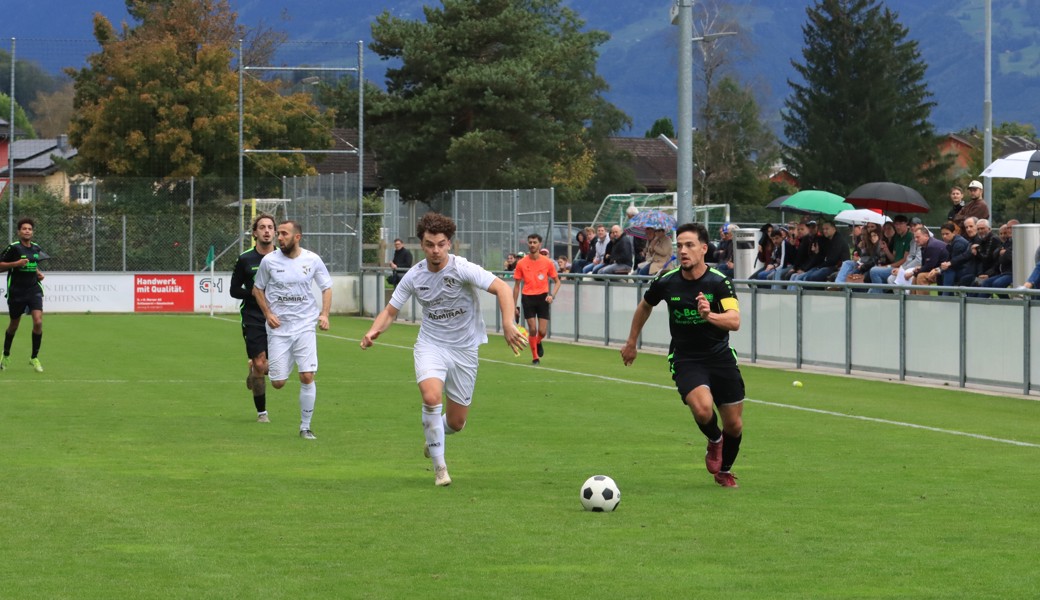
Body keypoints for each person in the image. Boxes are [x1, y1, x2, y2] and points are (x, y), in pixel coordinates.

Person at [361, 213, 527, 486]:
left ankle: (433, 437)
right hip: (431, 345)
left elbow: (502, 289)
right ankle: (440, 468)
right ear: (422, 245)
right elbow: (390, 311)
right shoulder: (414, 276)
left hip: (464, 350)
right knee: (430, 395)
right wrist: (373, 330)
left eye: (440, 244)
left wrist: (508, 324)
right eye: (429, 244)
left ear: (449, 243)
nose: (435, 250)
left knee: (457, 422)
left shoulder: (462, 268)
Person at [620, 222, 745, 488]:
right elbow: (645, 306)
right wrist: (631, 342)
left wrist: (708, 315)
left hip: (720, 356)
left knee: (734, 425)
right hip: (686, 357)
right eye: (680, 245)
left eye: (689, 245)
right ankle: (714, 440)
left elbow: (734, 321)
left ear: (704, 248)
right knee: (702, 409)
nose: (683, 250)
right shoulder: (666, 281)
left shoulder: (719, 281)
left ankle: (724, 470)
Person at [252, 220, 333, 440]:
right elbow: (257, 289)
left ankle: (305, 427)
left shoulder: (312, 259)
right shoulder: (269, 261)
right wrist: (268, 314)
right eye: (279, 233)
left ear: (297, 237)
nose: (279, 237)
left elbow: (326, 287)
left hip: (305, 325)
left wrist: (324, 314)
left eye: (284, 234)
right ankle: (256, 368)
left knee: (307, 375)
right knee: (278, 383)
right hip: (279, 328)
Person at [229, 213, 277, 422]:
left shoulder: (283, 257)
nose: (267, 231)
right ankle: (262, 413)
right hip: (253, 316)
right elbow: (233, 290)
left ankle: (254, 370)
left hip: (279, 317)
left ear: (275, 232)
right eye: (262, 227)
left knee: (272, 369)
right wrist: (255, 294)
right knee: (260, 364)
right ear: (255, 233)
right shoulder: (245, 259)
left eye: (270, 227)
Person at [0, 218, 46, 372]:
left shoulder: (36, 248)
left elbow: (33, 265)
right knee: (14, 326)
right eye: (24, 228)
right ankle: (6, 354)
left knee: (38, 322)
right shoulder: (13, 248)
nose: (27, 231)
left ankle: (34, 357)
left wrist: (39, 273)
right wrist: (15, 264)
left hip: (33, 290)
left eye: (30, 229)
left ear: (32, 232)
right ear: (19, 232)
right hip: (16, 291)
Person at [513, 234, 561, 365]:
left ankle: (538, 341)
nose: (532, 245)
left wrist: (552, 295)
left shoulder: (547, 262)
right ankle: (535, 357)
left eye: (535, 242)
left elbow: (557, 281)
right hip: (528, 297)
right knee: (533, 329)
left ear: (540, 244)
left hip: (542, 298)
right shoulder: (521, 263)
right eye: (530, 242)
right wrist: (513, 305)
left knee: (542, 331)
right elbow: (517, 286)